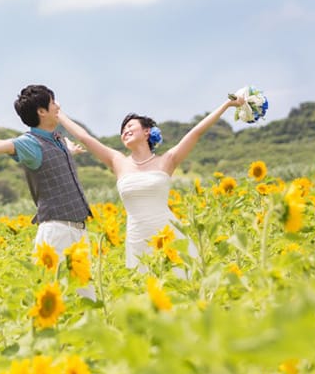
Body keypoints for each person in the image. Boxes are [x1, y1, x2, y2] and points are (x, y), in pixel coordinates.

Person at [56, 94, 245, 272]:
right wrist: (59, 114)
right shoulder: (118, 161)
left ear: (147, 131)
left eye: (130, 126)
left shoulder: (167, 160)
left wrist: (226, 105)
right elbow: (85, 139)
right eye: (122, 130)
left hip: (170, 235)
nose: (125, 131)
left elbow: (196, 132)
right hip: (137, 238)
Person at [0, 84, 95, 300]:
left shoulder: (57, 139)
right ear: (41, 111)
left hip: (78, 230)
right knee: (54, 299)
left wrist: (69, 152)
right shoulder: (31, 144)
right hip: (57, 232)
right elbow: (5, 144)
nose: (58, 106)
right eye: (53, 102)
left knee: (86, 299)